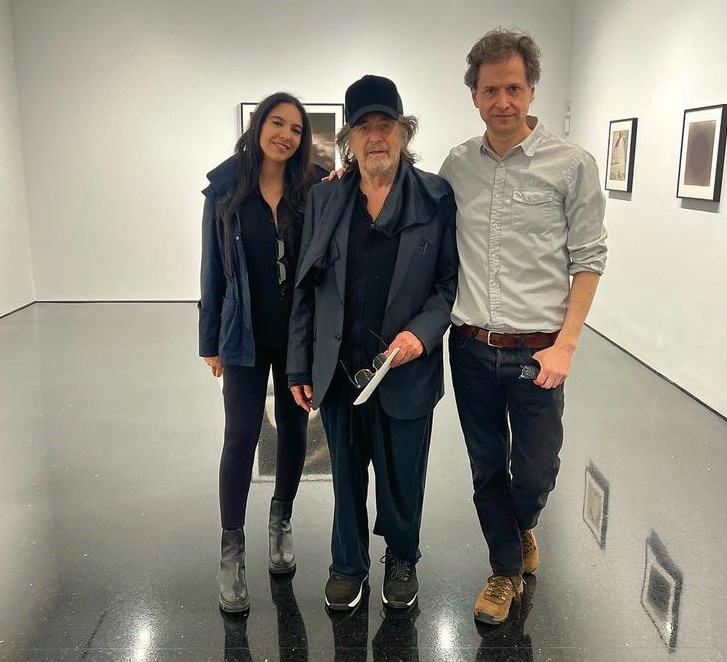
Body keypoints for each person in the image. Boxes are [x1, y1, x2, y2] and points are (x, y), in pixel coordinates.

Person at [439, 28, 608, 625]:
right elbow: (414, 213)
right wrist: (345, 176)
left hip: (539, 352)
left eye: (513, 88)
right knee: (487, 467)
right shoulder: (457, 165)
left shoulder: (572, 164)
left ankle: (523, 523)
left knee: (536, 470)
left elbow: (589, 259)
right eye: (490, 90)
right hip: (470, 345)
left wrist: (567, 346)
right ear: (474, 96)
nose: (503, 101)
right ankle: (504, 571)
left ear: (532, 89)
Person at [287, 75, 458, 612]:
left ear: (404, 132)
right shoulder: (326, 197)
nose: (375, 136)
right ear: (349, 140)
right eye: (364, 128)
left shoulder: (435, 196)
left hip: (404, 369)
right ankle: (347, 563)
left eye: (386, 125)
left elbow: (447, 285)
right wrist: (298, 367)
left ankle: (402, 557)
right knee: (344, 475)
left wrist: (421, 336)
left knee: (404, 474)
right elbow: (307, 286)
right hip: (341, 368)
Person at [198, 92, 327, 613]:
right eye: (277, 123)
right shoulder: (226, 187)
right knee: (241, 435)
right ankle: (231, 550)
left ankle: (281, 521)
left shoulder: (315, 187)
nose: (285, 136)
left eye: (296, 129)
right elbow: (211, 266)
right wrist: (209, 340)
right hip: (243, 334)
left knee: (294, 430)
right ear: (258, 126)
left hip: (298, 335)